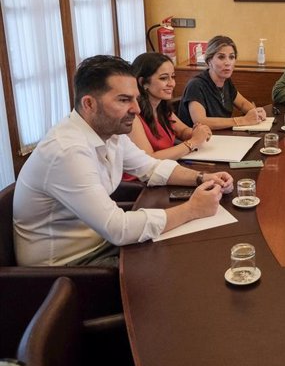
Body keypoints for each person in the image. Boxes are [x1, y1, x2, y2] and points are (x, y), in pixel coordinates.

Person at [13, 55, 234, 267]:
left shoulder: (110, 132)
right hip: (69, 266)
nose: (136, 109)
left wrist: (202, 178)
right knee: (179, 264)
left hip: (100, 240)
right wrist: (192, 209)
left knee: (189, 249)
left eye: (136, 99)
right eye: (124, 100)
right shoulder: (67, 152)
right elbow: (118, 229)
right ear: (89, 104)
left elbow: (150, 167)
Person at [128, 52, 212, 161]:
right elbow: (148, 160)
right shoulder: (133, 117)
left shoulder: (161, 107)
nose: (172, 83)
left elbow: (182, 131)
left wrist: (197, 132)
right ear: (143, 82)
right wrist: (193, 142)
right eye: (163, 78)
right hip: (145, 177)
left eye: (172, 77)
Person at [177, 35, 267, 129]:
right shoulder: (196, 85)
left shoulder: (226, 81)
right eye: (221, 57)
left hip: (221, 137)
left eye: (231, 57)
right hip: (197, 140)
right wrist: (242, 120)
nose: (227, 63)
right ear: (209, 61)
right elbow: (200, 121)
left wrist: (255, 112)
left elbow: (243, 103)